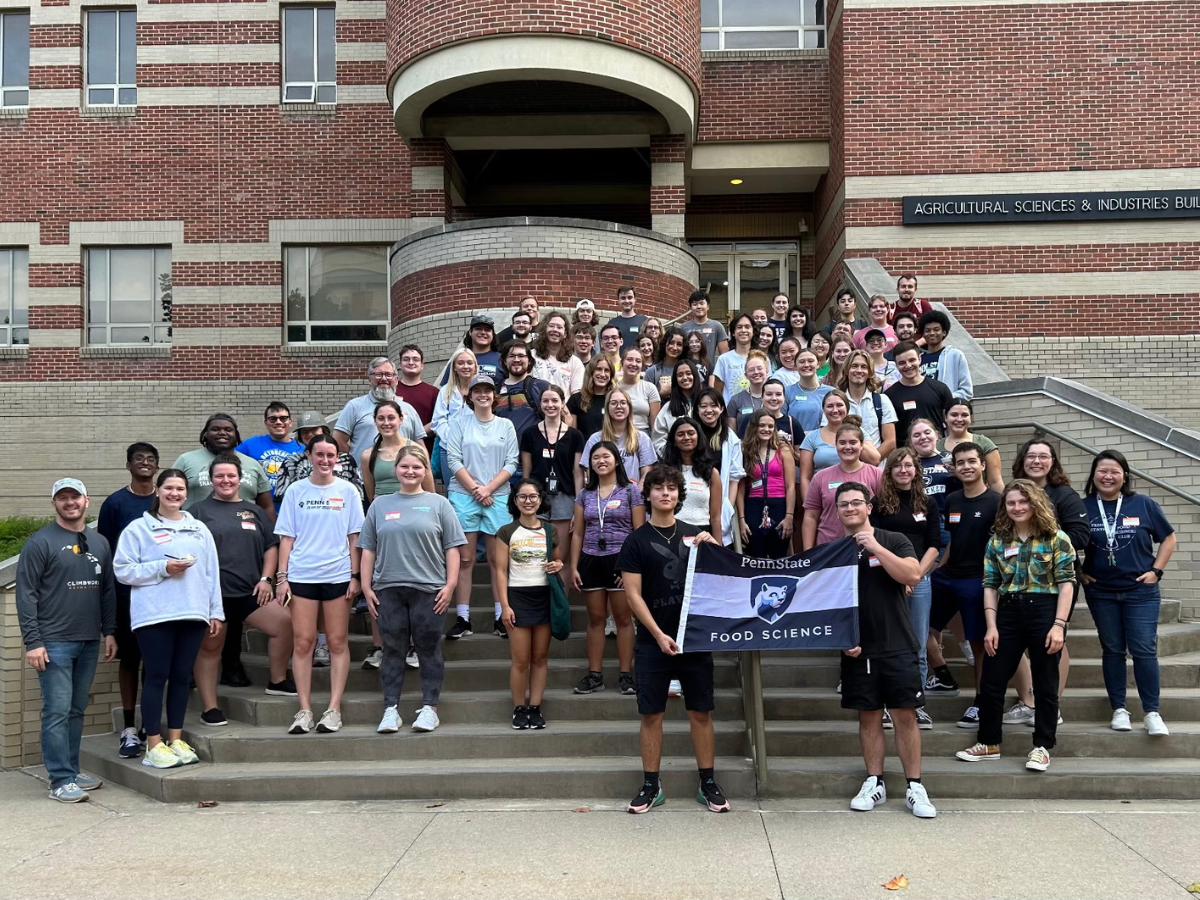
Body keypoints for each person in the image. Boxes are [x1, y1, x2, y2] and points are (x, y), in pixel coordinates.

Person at [620, 463, 727, 813]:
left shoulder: (696, 534)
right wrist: (658, 634)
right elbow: (633, 596)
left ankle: (707, 782)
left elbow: (719, 584)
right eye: (658, 488)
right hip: (654, 641)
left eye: (671, 488)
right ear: (648, 494)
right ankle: (652, 785)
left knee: (700, 712)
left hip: (694, 639)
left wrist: (712, 548)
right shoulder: (636, 541)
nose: (665, 493)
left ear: (679, 495)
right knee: (651, 714)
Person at [956, 480, 1076, 773]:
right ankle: (989, 743)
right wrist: (991, 626)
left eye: (1023, 502)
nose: (1017, 508)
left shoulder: (1056, 538)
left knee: (1046, 683)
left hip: (1045, 611)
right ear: (1004, 507)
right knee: (992, 680)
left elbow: (1067, 583)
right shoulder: (998, 540)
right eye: (1011, 503)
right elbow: (990, 585)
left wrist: (1059, 625)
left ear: (1035, 503)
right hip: (1008, 613)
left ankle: (1042, 747)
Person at [836, 482, 936, 819]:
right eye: (843, 505)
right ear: (837, 511)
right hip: (858, 648)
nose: (850, 508)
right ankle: (874, 781)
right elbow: (829, 603)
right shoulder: (835, 550)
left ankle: (915, 786)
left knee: (905, 715)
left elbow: (913, 574)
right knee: (868, 717)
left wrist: (875, 546)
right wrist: (841, 639)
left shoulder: (893, 539)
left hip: (898, 643)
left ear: (869, 506)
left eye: (856, 503)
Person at [114, 468, 222, 769]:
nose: (174, 494)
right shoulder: (138, 529)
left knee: (180, 678)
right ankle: (153, 743)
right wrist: (163, 569)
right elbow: (123, 570)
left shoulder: (199, 529)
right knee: (156, 676)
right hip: (155, 615)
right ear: (158, 491)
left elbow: (211, 573)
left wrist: (215, 612)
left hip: (193, 612)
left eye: (180, 489)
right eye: (169, 488)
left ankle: (175, 739)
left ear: (187, 494)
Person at [17, 478, 117, 802]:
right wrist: (33, 642)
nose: (69, 502)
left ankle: (72, 771)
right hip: (54, 642)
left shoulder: (99, 542)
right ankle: (59, 780)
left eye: (75, 496)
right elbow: (26, 595)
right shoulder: (40, 543)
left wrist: (110, 632)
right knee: (57, 711)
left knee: (75, 710)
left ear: (87, 501)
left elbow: (107, 591)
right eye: (63, 498)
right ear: (54, 504)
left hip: (89, 640)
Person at [360, 446, 465, 736]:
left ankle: (430, 709)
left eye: (416, 467)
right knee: (392, 649)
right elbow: (368, 549)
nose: (410, 472)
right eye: (404, 466)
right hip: (387, 589)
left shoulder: (439, 504)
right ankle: (390, 710)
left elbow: (453, 548)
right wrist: (366, 587)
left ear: (425, 471)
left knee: (428, 649)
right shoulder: (380, 505)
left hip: (429, 589)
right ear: (396, 469)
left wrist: (450, 585)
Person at [191, 453, 296, 727]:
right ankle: (210, 707)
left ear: (240, 479)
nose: (226, 480)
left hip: (250, 591)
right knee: (211, 646)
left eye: (231, 475)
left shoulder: (256, 511)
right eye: (220, 476)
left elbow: (271, 547)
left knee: (284, 623)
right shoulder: (197, 512)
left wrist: (266, 579)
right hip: (213, 596)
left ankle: (277, 679)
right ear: (211, 479)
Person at [1081, 450, 1176, 736]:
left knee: (1144, 650)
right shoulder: (1082, 506)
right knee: (1112, 650)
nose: (1108, 476)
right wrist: (1077, 570)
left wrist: (1156, 571)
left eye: (1114, 471)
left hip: (1140, 592)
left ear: (1124, 476)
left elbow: (1169, 538)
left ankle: (1152, 712)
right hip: (1101, 592)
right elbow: (1062, 540)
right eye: (1102, 471)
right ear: (1094, 475)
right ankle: (1119, 709)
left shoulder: (1143, 504)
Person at [275, 434, 365, 736]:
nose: (325, 460)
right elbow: (286, 538)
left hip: (338, 576)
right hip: (301, 576)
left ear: (337, 458)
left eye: (331, 455)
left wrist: (356, 576)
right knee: (303, 643)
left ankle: (334, 709)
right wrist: (281, 577)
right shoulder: (296, 491)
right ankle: (304, 710)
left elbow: (355, 537)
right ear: (309, 456)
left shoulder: (349, 490)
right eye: (320, 455)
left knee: (337, 642)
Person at [1001, 439, 1090, 726]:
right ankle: (1029, 702)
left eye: (1043, 456)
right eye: (1031, 456)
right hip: (1015, 579)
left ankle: (1052, 704)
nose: (1036, 461)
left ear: (1053, 462)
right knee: (1016, 642)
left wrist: (1041, 542)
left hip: (1056, 580)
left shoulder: (1064, 495)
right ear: (1022, 460)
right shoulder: (1012, 492)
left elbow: (1081, 536)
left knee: (1053, 640)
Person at [871, 449, 943, 729]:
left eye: (909, 465)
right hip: (887, 581)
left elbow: (934, 544)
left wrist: (914, 577)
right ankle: (889, 706)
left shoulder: (928, 502)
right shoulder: (878, 504)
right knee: (888, 644)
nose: (904, 470)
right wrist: (899, 577)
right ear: (889, 471)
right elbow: (873, 544)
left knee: (917, 645)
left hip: (919, 581)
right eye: (898, 466)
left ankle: (917, 704)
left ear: (917, 470)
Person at [443, 374, 518, 640]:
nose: (483, 395)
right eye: (477, 390)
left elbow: (512, 462)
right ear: (470, 395)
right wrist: (476, 489)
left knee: (499, 560)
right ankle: (463, 617)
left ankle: (501, 616)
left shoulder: (505, 425)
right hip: (464, 495)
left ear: (494, 395)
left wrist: (488, 489)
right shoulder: (459, 424)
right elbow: (453, 459)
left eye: (488, 390)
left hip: (497, 496)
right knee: (465, 559)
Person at [569, 441, 646, 696]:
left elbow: (638, 533)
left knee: (624, 619)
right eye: (596, 458)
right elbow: (578, 532)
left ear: (616, 461)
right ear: (590, 464)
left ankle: (626, 675)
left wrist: (633, 567)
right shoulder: (584, 495)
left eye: (606, 456)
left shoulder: (630, 491)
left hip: (621, 560)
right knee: (595, 620)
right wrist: (574, 565)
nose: (601, 461)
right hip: (591, 558)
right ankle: (595, 675)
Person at [97, 443, 158, 758]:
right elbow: (105, 553)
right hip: (124, 596)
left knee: (153, 660)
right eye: (139, 459)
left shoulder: (165, 501)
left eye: (150, 459)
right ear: (129, 465)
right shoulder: (116, 503)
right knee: (130, 660)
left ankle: (151, 725)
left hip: (158, 596)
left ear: (157, 467)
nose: (145, 463)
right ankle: (129, 728)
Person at [935, 443, 1000, 730]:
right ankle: (930, 679)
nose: (966, 467)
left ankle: (981, 701)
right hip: (948, 575)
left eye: (972, 461)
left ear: (983, 465)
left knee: (979, 644)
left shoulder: (998, 502)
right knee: (918, 624)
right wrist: (936, 570)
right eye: (960, 462)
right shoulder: (952, 500)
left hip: (978, 580)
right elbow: (952, 539)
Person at [496, 479, 564, 730]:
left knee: (540, 657)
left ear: (540, 499)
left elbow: (557, 562)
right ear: (515, 501)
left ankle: (535, 707)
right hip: (518, 597)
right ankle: (518, 708)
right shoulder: (506, 531)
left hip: (544, 595)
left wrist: (559, 565)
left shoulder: (549, 530)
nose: (528, 501)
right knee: (521, 659)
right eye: (522, 497)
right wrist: (504, 605)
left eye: (533, 496)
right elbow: (501, 572)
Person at [520, 384, 585, 552]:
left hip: (564, 496)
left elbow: (578, 474)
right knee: (537, 551)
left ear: (563, 403)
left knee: (560, 555)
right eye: (545, 401)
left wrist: (578, 506)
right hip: (536, 497)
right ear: (540, 404)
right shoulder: (529, 434)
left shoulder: (575, 436)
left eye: (555, 400)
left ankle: (561, 580)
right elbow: (526, 473)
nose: (550, 405)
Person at [173, 413, 275, 517]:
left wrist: (271, 531)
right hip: (195, 528)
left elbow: (266, 506)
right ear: (206, 434)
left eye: (228, 430)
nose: (222, 433)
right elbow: (169, 496)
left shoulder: (252, 464)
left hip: (244, 529)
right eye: (215, 429)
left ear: (236, 434)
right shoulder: (185, 461)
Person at [802, 419, 882, 550]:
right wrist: (809, 553)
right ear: (836, 445)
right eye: (842, 443)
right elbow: (811, 516)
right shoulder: (820, 477)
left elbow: (886, 513)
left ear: (862, 445)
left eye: (853, 442)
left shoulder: (877, 475)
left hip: (868, 547)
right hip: (829, 548)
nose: (847, 447)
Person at [334, 356, 427, 459]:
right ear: (369, 379)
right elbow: (338, 441)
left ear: (396, 380)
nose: (384, 379)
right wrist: (356, 459)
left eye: (388, 375)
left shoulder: (409, 409)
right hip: (364, 473)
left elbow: (420, 447)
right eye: (378, 375)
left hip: (402, 473)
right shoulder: (354, 406)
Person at [738, 410, 796, 558]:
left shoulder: (783, 451)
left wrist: (789, 516)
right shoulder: (745, 452)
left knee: (779, 554)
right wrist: (741, 520)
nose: (766, 429)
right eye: (762, 425)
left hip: (779, 506)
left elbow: (790, 487)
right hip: (754, 506)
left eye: (771, 426)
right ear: (754, 427)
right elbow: (741, 488)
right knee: (755, 554)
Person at [695, 388, 746, 547]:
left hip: (721, 503)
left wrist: (728, 506)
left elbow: (734, 477)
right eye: (703, 406)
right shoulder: (691, 434)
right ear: (697, 409)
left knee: (719, 547)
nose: (708, 410)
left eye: (713, 405)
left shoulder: (730, 437)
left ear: (722, 409)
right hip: (695, 500)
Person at [361, 401, 435, 503]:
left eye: (391, 418)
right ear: (375, 420)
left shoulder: (417, 450)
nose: (386, 423)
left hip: (413, 508)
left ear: (400, 419)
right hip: (384, 512)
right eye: (381, 418)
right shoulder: (367, 455)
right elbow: (370, 495)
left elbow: (430, 492)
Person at [662, 417, 723, 540]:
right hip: (671, 534)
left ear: (698, 437)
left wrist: (718, 550)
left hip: (702, 535)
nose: (686, 438)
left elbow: (715, 517)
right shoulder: (664, 471)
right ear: (674, 440)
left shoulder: (711, 473)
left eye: (691, 433)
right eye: (680, 434)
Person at [580, 389, 657, 484]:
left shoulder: (642, 438)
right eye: (613, 403)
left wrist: (635, 494)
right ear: (607, 407)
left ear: (629, 407)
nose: (619, 406)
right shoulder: (595, 439)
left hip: (632, 496)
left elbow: (646, 475)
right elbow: (589, 473)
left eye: (623, 403)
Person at [235, 402, 302, 507]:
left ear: (290, 422)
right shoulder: (250, 445)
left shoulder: (303, 450)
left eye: (283, 418)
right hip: (258, 511)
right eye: (273, 419)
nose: (278, 422)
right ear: (266, 423)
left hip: (292, 510)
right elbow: (227, 461)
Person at [885, 341, 954, 439]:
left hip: (937, 450)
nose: (908, 366)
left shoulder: (940, 388)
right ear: (896, 365)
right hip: (906, 452)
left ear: (920, 359)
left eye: (912, 360)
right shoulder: (889, 396)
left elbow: (950, 423)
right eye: (902, 363)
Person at [799, 390, 860, 500]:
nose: (835, 410)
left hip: (856, 497)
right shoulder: (811, 437)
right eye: (830, 406)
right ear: (823, 410)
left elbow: (874, 460)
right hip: (822, 497)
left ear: (847, 408)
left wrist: (855, 435)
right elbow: (805, 477)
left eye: (840, 405)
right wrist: (809, 507)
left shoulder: (859, 433)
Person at [838, 349, 897, 459]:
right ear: (846, 370)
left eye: (864, 367)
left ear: (870, 372)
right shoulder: (837, 402)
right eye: (854, 366)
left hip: (875, 470)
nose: (859, 370)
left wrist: (871, 462)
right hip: (845, 467)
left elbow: (890, 441)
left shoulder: (882, 401)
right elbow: (831, 435)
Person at [938, 399, 1003, 493]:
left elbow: (995, 482)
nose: (959, 419)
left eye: (964, 415)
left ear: (971, 418)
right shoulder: (936, 447)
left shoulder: (984, 443)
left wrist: (1002, 505)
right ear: (945, 417)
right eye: (954, 415)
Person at [495, 340, 551, 448]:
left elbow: (564, 416)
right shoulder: (494, 391)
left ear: (529, 360)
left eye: (521, 356)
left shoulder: (541, 387)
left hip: (535, 455)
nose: (516, 360)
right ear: (504, 361)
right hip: (503, 457)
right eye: (511, 356)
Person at [918, 310, 973, 400]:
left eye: (936, 329)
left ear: (944, 332)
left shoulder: (955, 356)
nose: (932, 333)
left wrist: (945, 399)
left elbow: (966, 391)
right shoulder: (917, 358)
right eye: (927, 330)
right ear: (923, 334)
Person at [652, 360, 703, 454]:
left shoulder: (704, 404)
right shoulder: (669, 407)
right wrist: (673, 456)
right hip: (676, 463)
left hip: (703, 460)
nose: (685, 378)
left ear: (695, 376)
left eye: (688, 373)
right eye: (680, 375)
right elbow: (658, 440)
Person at [395, 345, 439, 448]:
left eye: (415, 359)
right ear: (400, 365)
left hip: (424, 450)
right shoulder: (391, 391)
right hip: (395, 450)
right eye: (406, 359)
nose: (411, 362)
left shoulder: (434, 392)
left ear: (422, 365)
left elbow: (437, 421)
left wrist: (415, 435)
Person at [531, 311, 585, 394]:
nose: (555, 330)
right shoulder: (530, 356)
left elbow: (576, 396)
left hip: (564, 406)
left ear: (565, 334)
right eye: (551, 326)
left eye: (559, 327)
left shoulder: (575, 363)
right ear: (544, 329)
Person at [784, 347, 833, 433]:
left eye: (810, 361)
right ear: (795, 366)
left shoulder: (830, 392)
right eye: (801, 362)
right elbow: (781, 421)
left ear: (818, 364)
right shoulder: (787, 392)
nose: (806, 365)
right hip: (794, 444)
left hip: (822, 443)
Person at [617, 346, 661, 438]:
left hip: (643, 435)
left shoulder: (650, 388)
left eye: (638, 361)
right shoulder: (613, 388)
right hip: (618, 434)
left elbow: (655, 424)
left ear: (642, 366)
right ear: (622, 362)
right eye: (629, 359)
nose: (633, 364)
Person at [568, 354, 614, 440]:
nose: (602, 374)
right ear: (591, 372)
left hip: (610, 450)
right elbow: (573, 435)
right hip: (584, 450)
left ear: (611, 375)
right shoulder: (576, 399)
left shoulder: (615, 400)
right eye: (599, 369)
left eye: (607, 370)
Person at [712, 313, 755, 402]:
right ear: (733, 333)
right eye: (739, 327)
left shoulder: (762, 359)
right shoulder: (724, 359)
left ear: (753, 331)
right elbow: (717, 391)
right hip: (730, 413)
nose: (743, 330)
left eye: (747, 327)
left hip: (757, 413)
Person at [726, 350, 771, 431]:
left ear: (767, 371)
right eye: (751, 370)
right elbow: (732, 434)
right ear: (746, 375)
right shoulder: (736, 400)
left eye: (759, 368)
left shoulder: (775, 398)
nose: (756, 372)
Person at [680, 290, 729, 361]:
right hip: (689, 370)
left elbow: (725, 355)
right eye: (695, 304)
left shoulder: (717, 326)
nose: (699, 306)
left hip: (710, 370)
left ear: (708, 306)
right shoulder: (683, 327)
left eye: (701, 303)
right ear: (690, 308)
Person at [451, 315, 501, 382]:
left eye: (487, 330)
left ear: (492, 334)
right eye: (478, 328)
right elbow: (448, 386)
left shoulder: (502, 359)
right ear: (470, 332)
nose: (483, 332)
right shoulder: (459, 358)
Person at [645, 325, 687, 397]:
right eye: (671, 343)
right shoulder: (652, 371)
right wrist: (661, 393)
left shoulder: (689, 370)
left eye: (679, 344)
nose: (675, 348)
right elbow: (645, 399)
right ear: (665, 344)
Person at [607, 286, 648, 354]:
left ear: (635, 299)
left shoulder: (644, 321)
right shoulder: (612, 323)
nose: (626, 301)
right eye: (623, 298)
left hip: (639, 362)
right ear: (619, 301)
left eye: (630, 297)